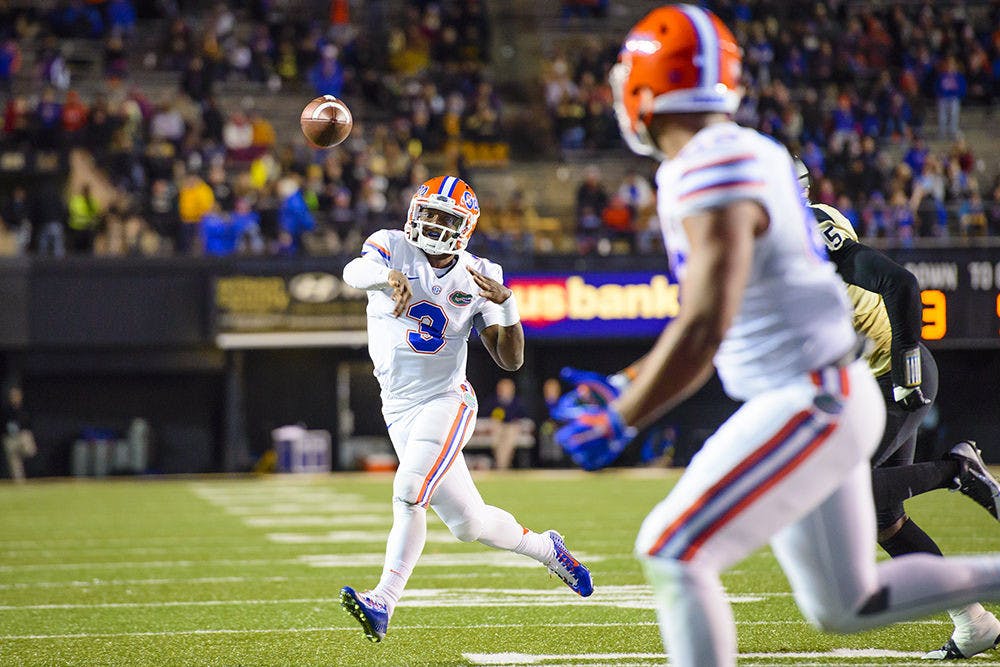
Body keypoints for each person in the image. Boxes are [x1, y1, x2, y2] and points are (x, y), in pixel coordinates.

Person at [552, 7, 1000, 666]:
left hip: (809, 397)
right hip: (822, 389)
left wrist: (624, 415)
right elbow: (715, 314)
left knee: (672, 549)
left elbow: (705, 321)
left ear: (650, 86)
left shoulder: (707, 165)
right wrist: (624, 383)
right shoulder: (745, 151)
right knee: (846, 601)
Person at [339, 175, 593, 643]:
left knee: (409, 489)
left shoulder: (482, 274)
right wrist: (385, 275)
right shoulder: (390, 245)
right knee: (468, 524)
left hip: (446, 400)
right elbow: (352, 272)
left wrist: (508, 306)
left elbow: (511, 360)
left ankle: (383, 599)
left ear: (465, 228)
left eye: (445, 217)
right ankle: (546, 548)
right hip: (396, 407)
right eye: (429, 212)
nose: (433, 223)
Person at [797, 158, 1000, 660]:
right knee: (887, 521)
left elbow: (902, 284)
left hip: (894, 376)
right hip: (866, 383)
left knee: (843, 492)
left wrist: (907, 360)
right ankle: (974, 623)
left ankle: (958, 470)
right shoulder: (775, 245)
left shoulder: (811, 230)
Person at [484, 377, 527, 470]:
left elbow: (521, 416)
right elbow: (486, 414)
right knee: (497, 432)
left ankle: (501, 466)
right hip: (498, 427)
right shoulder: (492, 401)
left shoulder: (517, 402)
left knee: (509, 436)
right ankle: (503, 466)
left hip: (511, 427)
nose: (504, 390)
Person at [2, 382, 36, 483]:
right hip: (10, 438)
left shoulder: (24, 409)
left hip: (22, 436)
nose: (14, 397)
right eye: (12, 395)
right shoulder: (6, 410)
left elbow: (29, 424)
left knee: (30, 451)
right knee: (14, 461)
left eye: (16, 395)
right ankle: (19, 483)